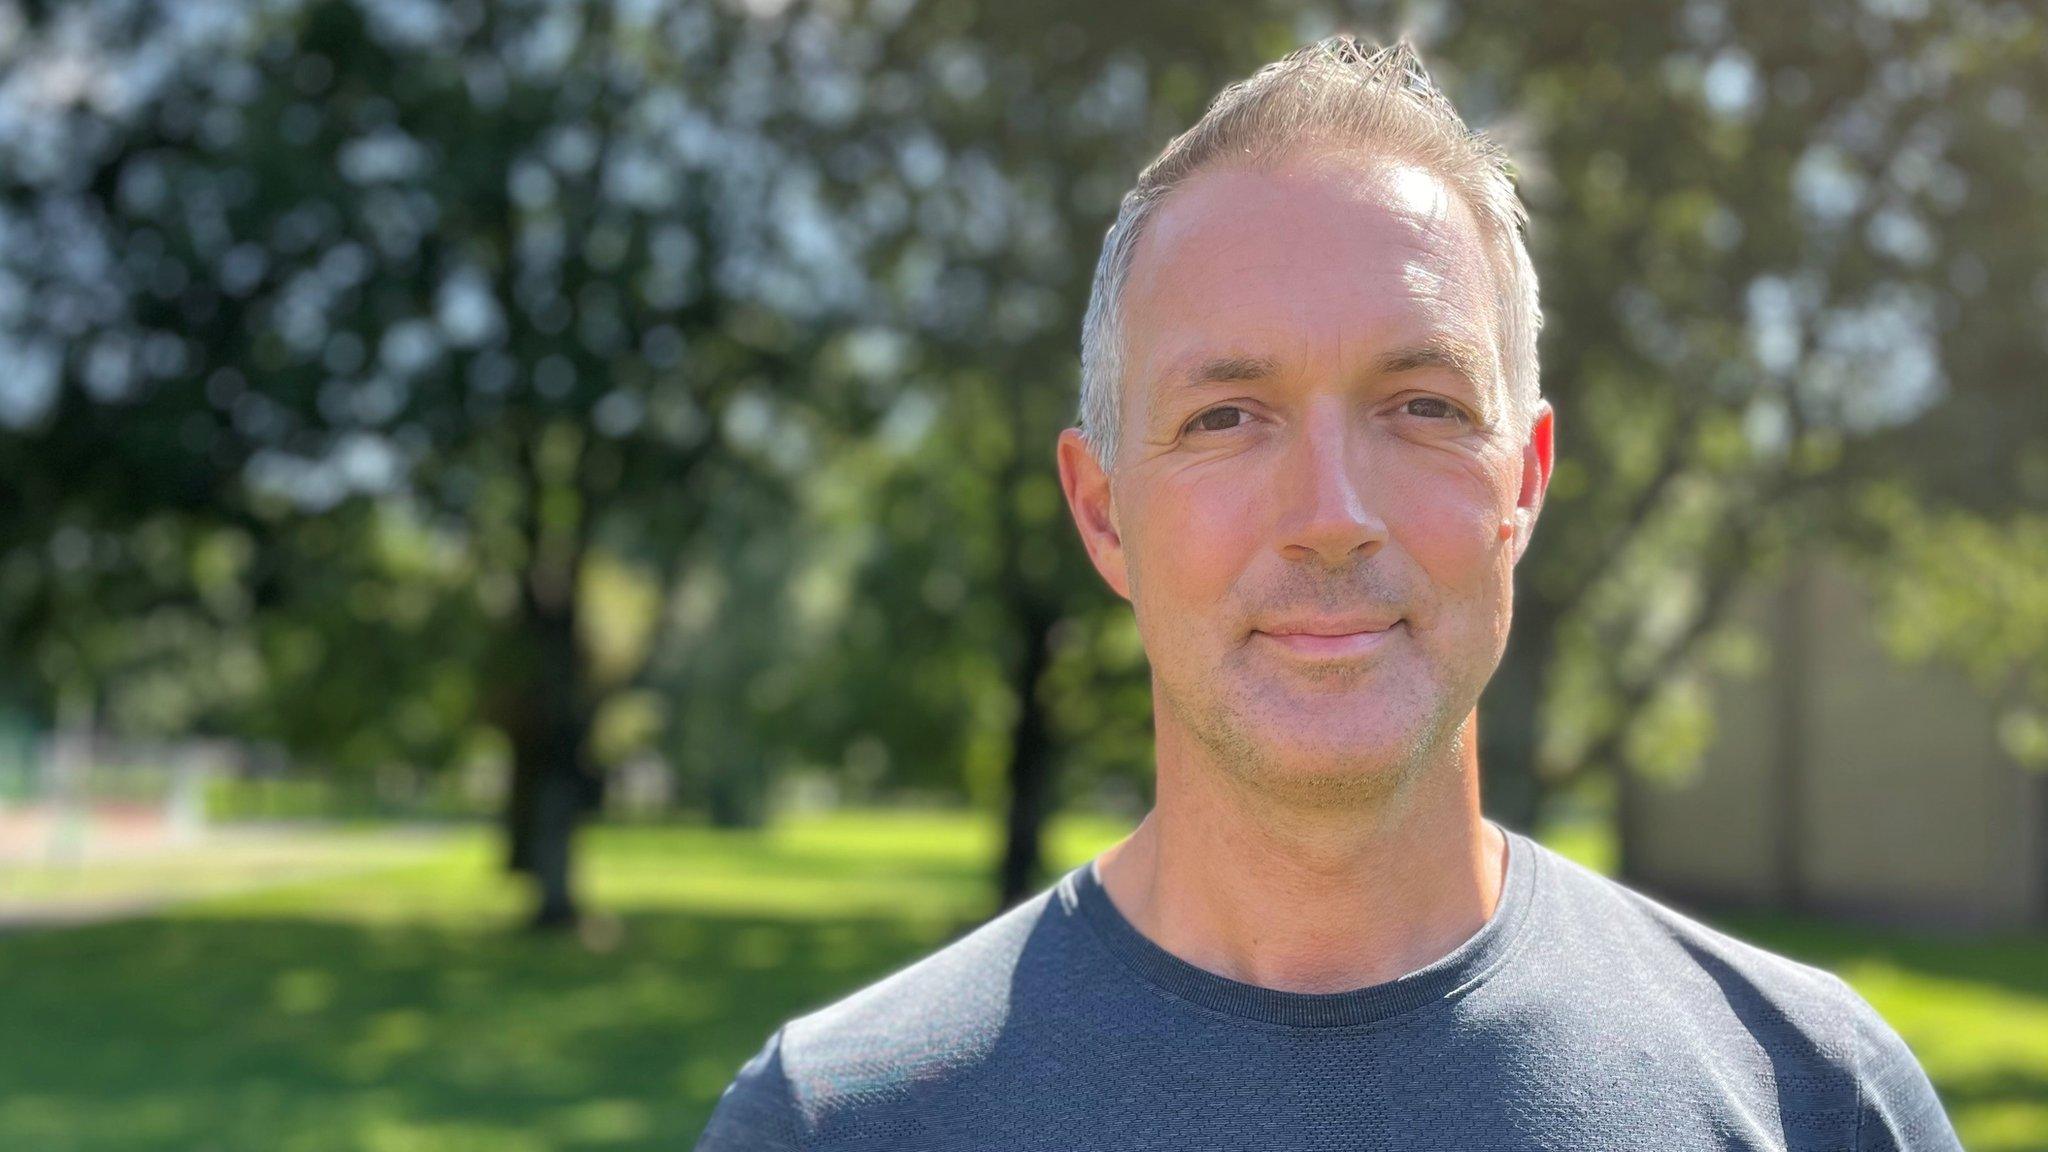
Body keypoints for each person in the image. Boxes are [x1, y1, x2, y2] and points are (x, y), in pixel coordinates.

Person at [695, 35, 1963, 1152]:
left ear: (1521, 481)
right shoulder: (842, 1122)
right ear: (1102, 514)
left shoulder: (1813, 1100)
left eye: (1421, 407)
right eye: (1225, 416)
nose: (1329, 517)